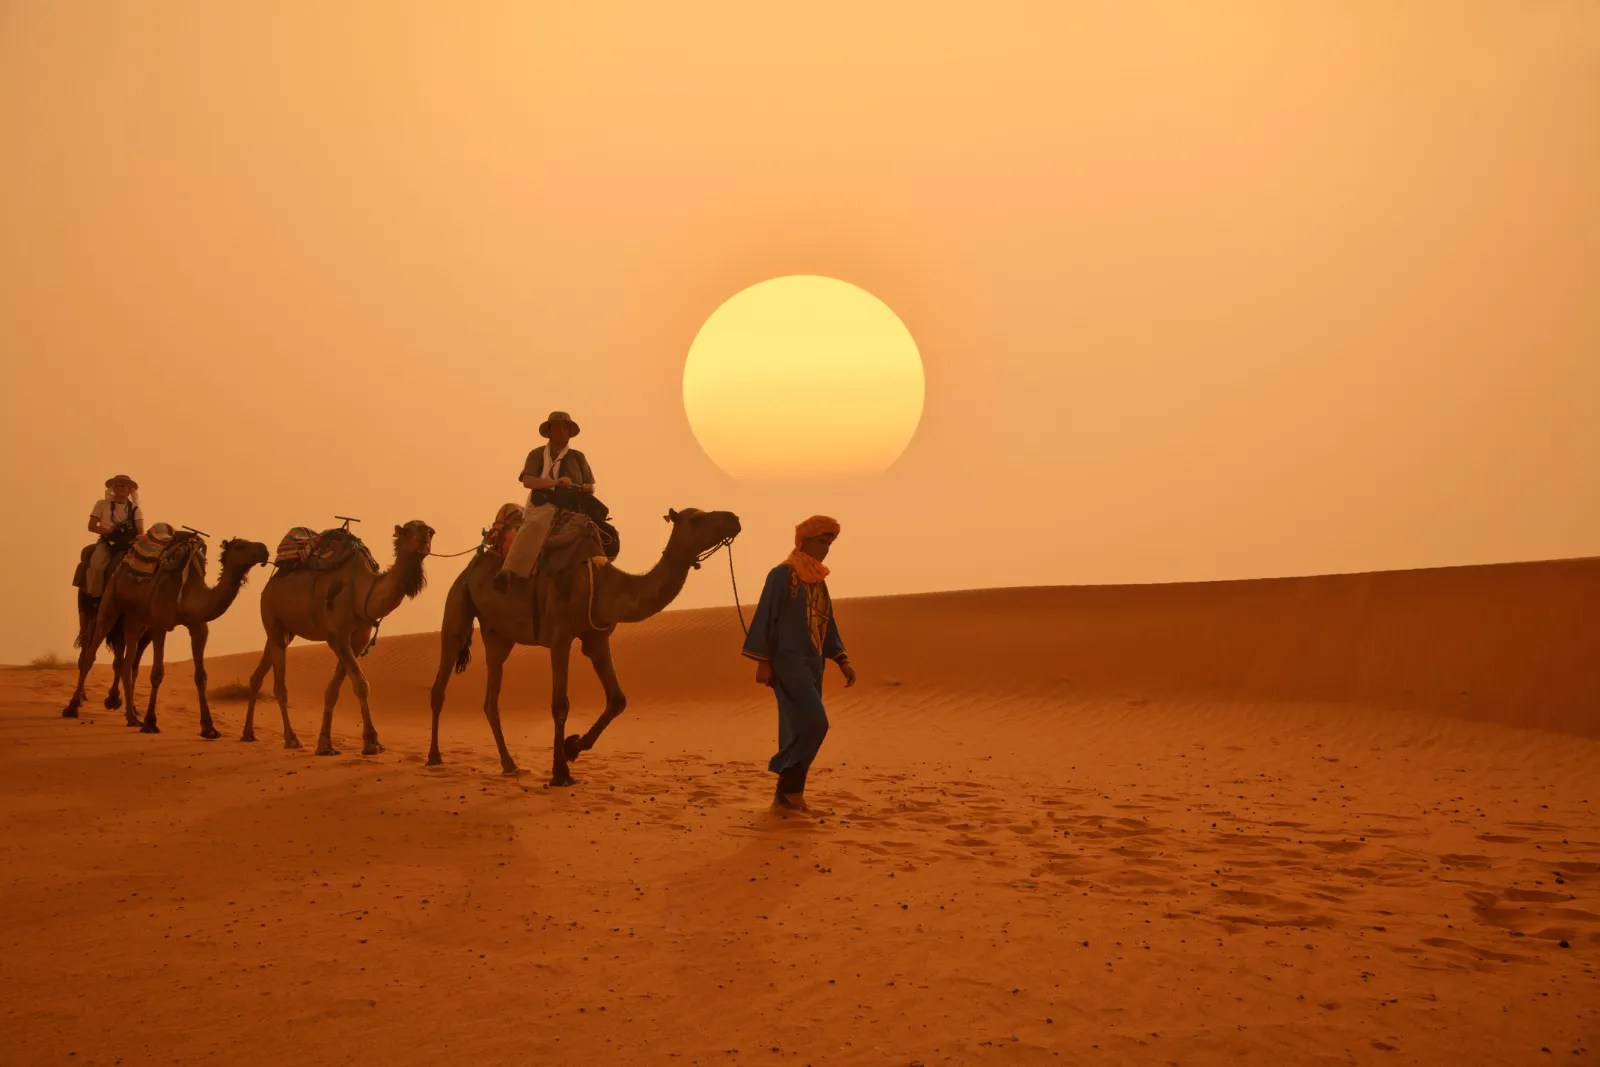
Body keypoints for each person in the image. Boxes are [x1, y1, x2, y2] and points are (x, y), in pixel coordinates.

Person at [741, 515, 857, 813]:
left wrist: (841, 658)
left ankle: (790, 796)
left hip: (813, 662)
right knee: (816, 723)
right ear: (803, 541)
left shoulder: (818, 581)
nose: (826, 548)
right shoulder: (782, 575)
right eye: (821, 541)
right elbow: (766, 617)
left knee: (799, 725)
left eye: (830, 543)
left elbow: (826, 622)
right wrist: (763, 661)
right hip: (787, 660)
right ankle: (786, 782)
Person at [497, 411, 595, 589]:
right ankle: (510, 570)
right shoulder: (537, 454)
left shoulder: (578, 457)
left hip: (574, 506)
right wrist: (556, 482)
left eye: (565, 428)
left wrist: (577, 487)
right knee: (536, 523)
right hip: (544, 503)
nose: (561, 432)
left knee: (601, 533)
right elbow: (528, 481)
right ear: (549, 431)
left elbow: (591, 487)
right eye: (556, 428)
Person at [84, 474, 145, 597]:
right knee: (97, 567)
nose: (119, 488)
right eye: (116, 486)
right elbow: (91, 526)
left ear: (129, 490)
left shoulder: (135, 509)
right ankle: (95, 599)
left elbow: (140, 532)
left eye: (123, 486)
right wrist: (108, 531)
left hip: (129, 545)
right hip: (107, 543)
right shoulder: (102, 504)